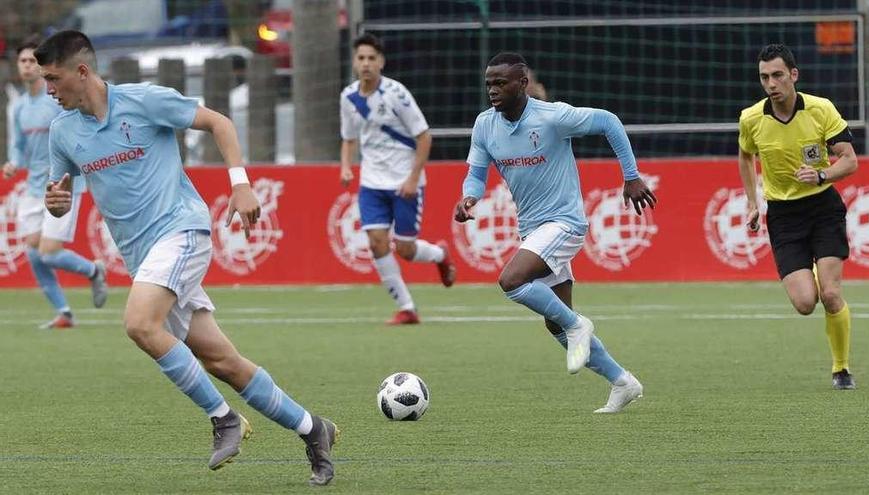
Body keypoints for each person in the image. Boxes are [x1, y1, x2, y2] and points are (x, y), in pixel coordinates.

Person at [37, 31, 337, 485]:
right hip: (145, 257)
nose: (49, 90)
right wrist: (56, 204)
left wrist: (240, 182)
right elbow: (58, 195)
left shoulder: (143, 101)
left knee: (140, 323)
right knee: (222, 362)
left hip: (182, 230)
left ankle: (224, 420)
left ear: (82, 71)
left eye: (53, 79)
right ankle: (313, 429)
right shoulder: (63, 132)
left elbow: (219, 122)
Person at [454, 52, 657, 413]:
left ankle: (579, 325)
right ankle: (623, 382)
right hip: (532, 229)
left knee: (512, 280)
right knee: (555, 324)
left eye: (501, 83)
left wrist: (631, 175)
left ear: (522, 83)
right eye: (489, 84)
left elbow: (609, 121)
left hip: (565, 223)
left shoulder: (552, 116)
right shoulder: (485, 125)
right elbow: (476, 171)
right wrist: (469, 196)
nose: (493, 90)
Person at [738, 44, 858, 390]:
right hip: (784, 216)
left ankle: (841, 369)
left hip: (822, 207)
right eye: (764, 77)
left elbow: (849, 160)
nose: (771, 83)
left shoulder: (821, 110)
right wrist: (752, 202)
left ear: (793, 75)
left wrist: (822, 175)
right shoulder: (751, 118)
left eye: (777, 75)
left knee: (831, 294)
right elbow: (746, 157)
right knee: (806, 303)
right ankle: (817, 269)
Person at [339, 33, 456, 325]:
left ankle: (440, 254)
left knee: (405, 249)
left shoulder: (397, 94)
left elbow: (424, 136)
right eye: (361, 58)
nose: (366, 64)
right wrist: (345, 166)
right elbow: (349, 138)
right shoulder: (348, 97)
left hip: (404, 182)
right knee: (376, 242)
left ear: (381, 62)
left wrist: (413, 178)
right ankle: (407, 307)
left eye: (371, 58)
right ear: (355, 63)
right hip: (371, 183)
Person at [2, 36, 107, 329]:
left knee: (48, 251)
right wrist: (13, 162)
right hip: (33, 187)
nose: (26, 66)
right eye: (22, 61)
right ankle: (64, 311)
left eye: (32, 61)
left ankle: (93, 270)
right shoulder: (18, 107)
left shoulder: (59, 101)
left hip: (62, 184)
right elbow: (18, 145)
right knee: (34, 252)